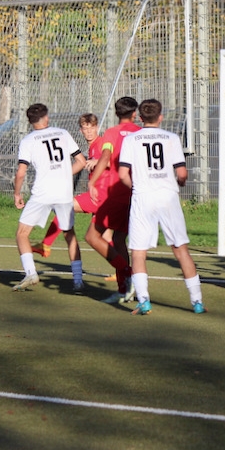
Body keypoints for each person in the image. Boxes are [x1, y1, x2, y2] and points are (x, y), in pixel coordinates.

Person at [118, 99, 205, 315]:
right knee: (180, 250)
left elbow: (122, 174)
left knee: (138, 252)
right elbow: (182, 173)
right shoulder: (171, 138)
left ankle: (144, 300)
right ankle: (197, 302)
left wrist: (136, 187)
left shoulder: (130, 139)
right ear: (161, 117)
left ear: (140, 118)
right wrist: (180, 182)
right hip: (168, 197)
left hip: (143, 197)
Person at [12, 103, 87, 292]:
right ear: (46, 118)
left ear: (30, 121)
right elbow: (81, 161)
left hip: (42, 193)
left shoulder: (28, 140)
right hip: (63, 192)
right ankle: (78, 280)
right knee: (69, 234)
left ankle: (31, 273)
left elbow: (21, 173)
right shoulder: (62, 133)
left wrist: (17, 193)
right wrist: (63, 174)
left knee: (22, 234)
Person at [84, 97, 141, 303]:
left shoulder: (111, 133)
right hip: (137, 193)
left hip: (116, 193)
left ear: (116, 114)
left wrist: (92, 182)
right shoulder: (140, 132)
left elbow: (106, 156)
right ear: (135, 114)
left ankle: (128, 274)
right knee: (118, 240)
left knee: (92, 236)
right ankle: (125, 289)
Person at [32, 113, 102, 256]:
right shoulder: (92, 146)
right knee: (105, 239)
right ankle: (124, 268)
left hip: (100, 195)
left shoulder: (100, 144)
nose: (89, 132)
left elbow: (111, 159)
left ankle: (46, 244)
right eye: (85, 128)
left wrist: (98, 162)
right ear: (80, 131)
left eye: (92, 128)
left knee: (65, 206)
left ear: (97, 128)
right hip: (101, 196)